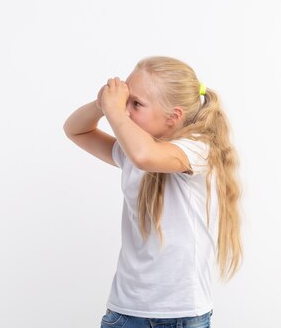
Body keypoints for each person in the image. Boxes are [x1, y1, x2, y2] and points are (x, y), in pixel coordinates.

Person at [63, 56, 242, 328]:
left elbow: (145, 156)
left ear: (174, 117)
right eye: (126, 101)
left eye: (136, 104)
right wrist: (101, 105)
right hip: (124, 311)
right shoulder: (131, 151)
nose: (125, 110)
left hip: (180, 315)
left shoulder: (197, 150)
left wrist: (114, 113)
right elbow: (75, 130)